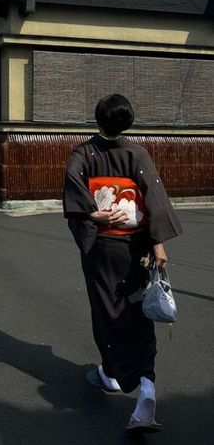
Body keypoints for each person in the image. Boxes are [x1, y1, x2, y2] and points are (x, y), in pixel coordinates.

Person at [63, 94, 182, 433]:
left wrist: (92, 213)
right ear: (127, 121)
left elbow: (74, 193)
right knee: (136, 312)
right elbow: (153, 201)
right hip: (137, 246)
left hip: (101, 246)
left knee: (105, 309)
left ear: (97, 119)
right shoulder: (138, 154)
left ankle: (111, 373)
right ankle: (146, 384)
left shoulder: (84, 153)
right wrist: (157, 244)